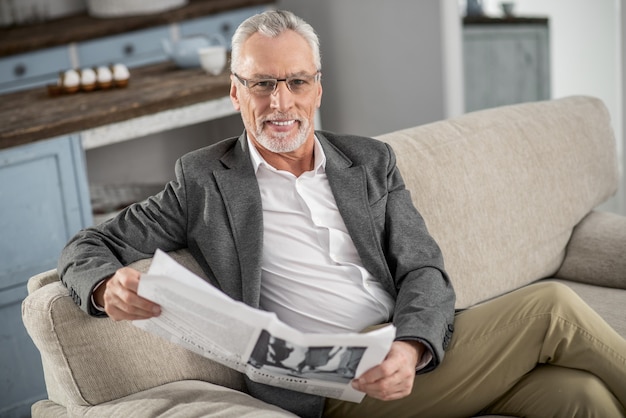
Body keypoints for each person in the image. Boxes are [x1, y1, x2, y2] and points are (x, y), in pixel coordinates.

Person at [58, 9, 626, 418]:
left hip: (406, 352)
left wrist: (411, 346)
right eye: (261, 84)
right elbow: (86, 245)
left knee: (583, 399)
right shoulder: (204, 179)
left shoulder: (370, 161)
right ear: (235, 93)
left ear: (317, 88)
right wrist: (105, 285)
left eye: (295, 82)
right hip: (334, 384)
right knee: (551, 307)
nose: (279, 102)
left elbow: (424, 271)